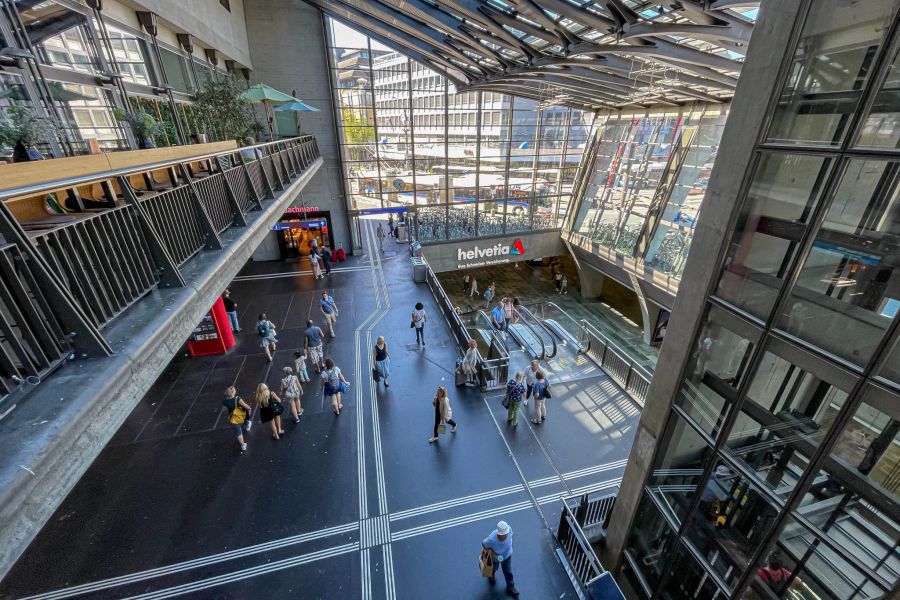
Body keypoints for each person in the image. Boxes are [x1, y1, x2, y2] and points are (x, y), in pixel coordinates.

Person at [482, 521, 519, 597]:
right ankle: (491, 575)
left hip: (507, 556)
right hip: (496, 558)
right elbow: (484, 544)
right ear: (498, 534)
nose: (506, 535)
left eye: (506, 533)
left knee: (508, 571)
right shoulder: (491, 539)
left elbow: (510, 538)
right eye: (503, 534)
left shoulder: (509, 530)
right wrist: (491, 552)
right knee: (493, 569)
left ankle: (510, 587)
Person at [223, 386, 252, 453]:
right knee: (244, 420)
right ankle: (248, 424)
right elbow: (246, 406)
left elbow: (225, 407)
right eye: (235, 390)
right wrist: (249, 409)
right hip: (240, 414)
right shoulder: (237, 398)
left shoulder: (225, 402)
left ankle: (243, 445)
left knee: (238, 432)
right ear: (233, 393)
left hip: (232, 418)